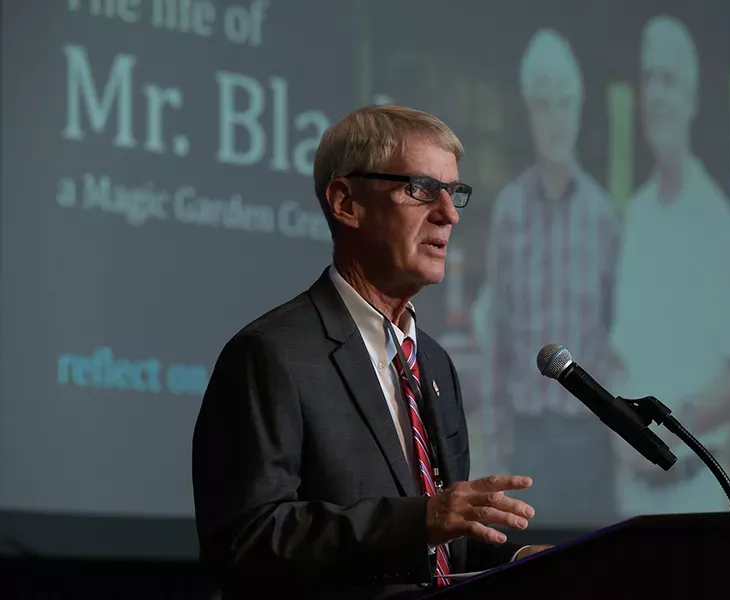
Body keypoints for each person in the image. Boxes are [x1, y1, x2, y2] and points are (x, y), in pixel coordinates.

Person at [192, 105, 550, 599]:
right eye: (421, 189)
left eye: (454, 193)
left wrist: (517, 560)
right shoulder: (272, 355)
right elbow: (247, 539)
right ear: (346, 202)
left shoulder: (436, 364)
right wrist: (420, 520)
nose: (448, 213)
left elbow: (439, 547)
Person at [609, 15, 730, 516]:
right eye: (648, 78)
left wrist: (670, 430)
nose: (655, 93)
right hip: (631, 500)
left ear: (693, 100)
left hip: (695, 494)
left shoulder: (716, 220)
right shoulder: (639, 214)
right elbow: (623, 351)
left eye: (668, 79)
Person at [478, 28, 622, 528]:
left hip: (590, 436)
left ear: (579, 108)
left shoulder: (604, 215)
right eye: (544, 104)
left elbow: (617, 328)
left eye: (565, 103)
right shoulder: (509, 211)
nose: (556, 117)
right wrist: (497, 439)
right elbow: (496, 328)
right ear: (529, 111)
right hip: (528, 437)